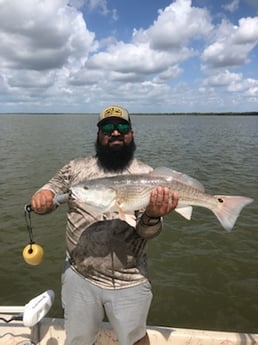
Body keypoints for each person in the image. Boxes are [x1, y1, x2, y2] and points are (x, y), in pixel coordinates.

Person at [31, 105, 178, 345]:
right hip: (80, 274)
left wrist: (152, 215)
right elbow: (51, 191)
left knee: (135, 337)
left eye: (122, 127)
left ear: (131, 133)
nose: (116, 133)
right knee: (78, 338)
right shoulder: (76, 168)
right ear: (99, 134)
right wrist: (42, 197)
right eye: (108, 127)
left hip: (130, 277)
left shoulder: (146, 174)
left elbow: (147, 233)